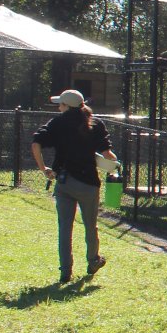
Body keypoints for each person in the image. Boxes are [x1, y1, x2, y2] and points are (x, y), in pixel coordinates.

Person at [31, 89, 117, 283]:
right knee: (90, 225)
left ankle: (65, 271)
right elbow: (107, 155)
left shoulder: (57, 123)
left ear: (66, 106)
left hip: (65, 183)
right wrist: (114, 165)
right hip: (89, 184)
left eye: (60, 105)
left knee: (65, 228)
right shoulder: (95, 123)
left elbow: (36, 144)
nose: (58, 108)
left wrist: (43, 168)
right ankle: (93, 260)